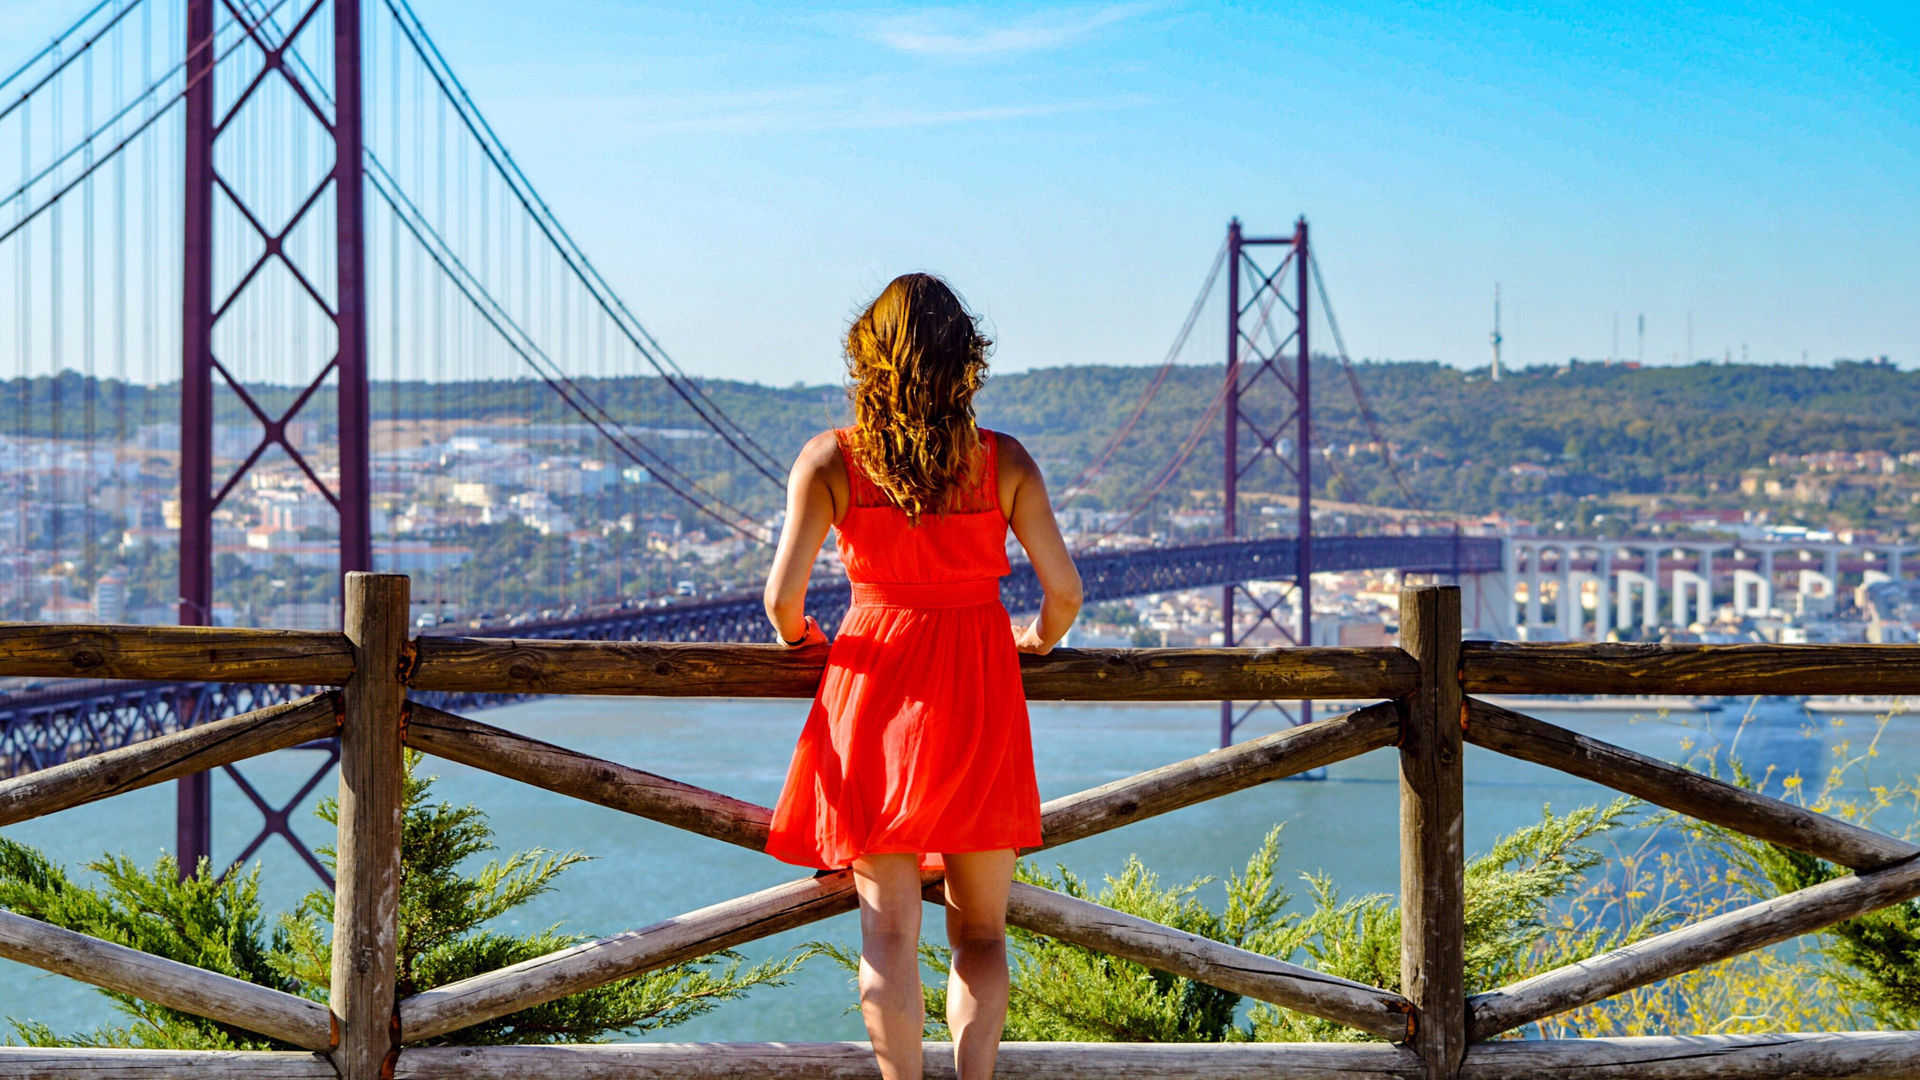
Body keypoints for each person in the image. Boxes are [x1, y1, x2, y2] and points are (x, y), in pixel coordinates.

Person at [762, 273, 1082, 1080]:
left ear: (868, 358)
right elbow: (1065, 593)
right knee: (981, 935)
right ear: (963, 359)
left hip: (872, 685)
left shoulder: (831, 459)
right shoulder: (1003, 460)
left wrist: (807, 637)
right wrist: (1036, 638)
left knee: (888, 936)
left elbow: (782, 603)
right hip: (979, 686)